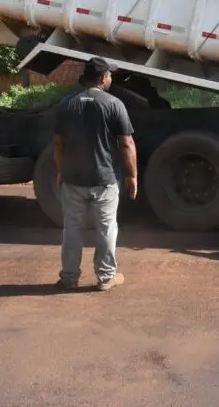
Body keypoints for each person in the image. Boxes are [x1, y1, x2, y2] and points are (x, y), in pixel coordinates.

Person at [53, 57, 138, 291]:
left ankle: (69, 277)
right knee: (106, 228)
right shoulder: (113, 104)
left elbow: (58, 143)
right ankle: (106, 277)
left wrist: (61, 171)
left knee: (72, 229)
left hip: (73, 180)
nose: (111, 78)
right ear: (102, 79)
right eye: (110, 75)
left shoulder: (67, 104)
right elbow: (127, 143)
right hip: (104, 180)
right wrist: (132, 176)